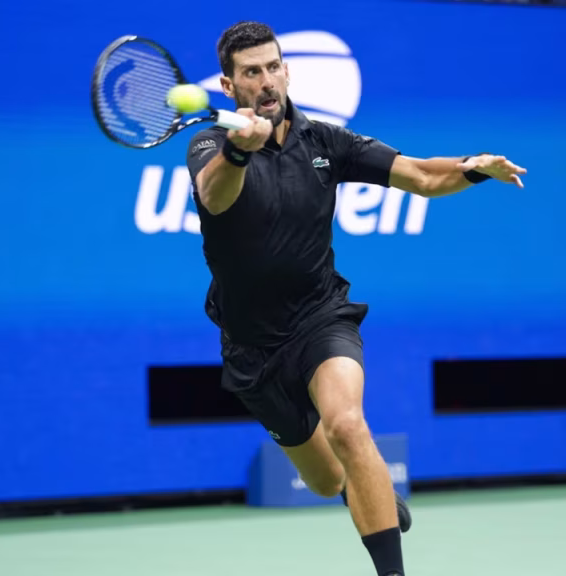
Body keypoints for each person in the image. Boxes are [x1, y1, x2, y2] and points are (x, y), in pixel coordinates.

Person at [185, 21, 527, 576]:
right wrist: (240, 152)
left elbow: (418, 173)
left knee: (348, 425)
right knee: (325, 480)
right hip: (253, 349)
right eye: (252, 72)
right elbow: (214, 197)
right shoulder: (209, 146)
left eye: (274, 67)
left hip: (321, 317)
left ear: (287, 71)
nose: (267, 81)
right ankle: (366, 491)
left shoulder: (325, 142)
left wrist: (472, 169)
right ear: (229, 86)